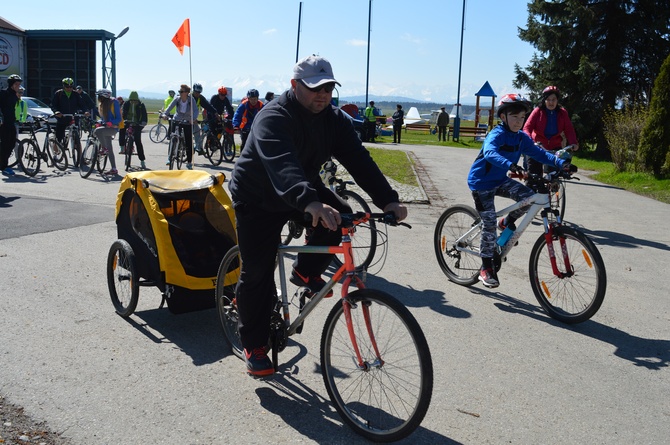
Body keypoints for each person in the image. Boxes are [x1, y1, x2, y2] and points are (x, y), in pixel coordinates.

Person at [228, 55, 407, 378]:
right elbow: (282, 165)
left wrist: (388, 200)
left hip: (300, 188)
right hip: (257, 196)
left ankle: (304, 273)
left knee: (343, 215)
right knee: (257, 271)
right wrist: (310, 203)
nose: (322, 94)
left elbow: (358, 159)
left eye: (327, 87)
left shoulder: (333, 120)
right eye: (314, 88)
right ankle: (253, 344)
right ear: (295, 86)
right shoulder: (273, 117)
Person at [467, 94, 573, 288]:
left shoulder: (521, 137)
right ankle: (486, 267)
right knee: (488, 222)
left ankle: (507, 222)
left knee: (529, 197)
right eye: (514, 117)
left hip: (499, 180)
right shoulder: (496, 134)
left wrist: (561, 163)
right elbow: (490, 153)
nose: (519, 121)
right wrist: (511, 165)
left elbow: (539, 153)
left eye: (522, 117)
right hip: (481, 182)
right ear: (503, 117)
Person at [523, 85, 579, 177]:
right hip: (537, 146)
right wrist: (530, 141)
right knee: (534, 176)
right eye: (548, 99)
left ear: (557, 100)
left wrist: (573, 143)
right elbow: (527, 127)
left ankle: (554, 189)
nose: (551, 102)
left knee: (553, 175)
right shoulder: (538, 111)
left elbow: (569, 129)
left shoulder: (562, 112)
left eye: (554, 99)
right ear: (544, 100)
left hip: (554, 147)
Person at [164, 84, 199, 169]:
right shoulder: (177, 99)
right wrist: (165, 114)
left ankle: (189, 162)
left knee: (188, 141)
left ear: (187, 93)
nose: (180, 93)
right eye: (179, 91)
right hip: (177, 120)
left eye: (181, 91)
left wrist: (193, 119)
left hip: (187, 121)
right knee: (173, 137)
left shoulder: (191, 100)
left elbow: (195, 111)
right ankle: (170, 157)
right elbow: (169, 107)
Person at [51, 77, 88, 145]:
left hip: (72, 117)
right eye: (67, 87)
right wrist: (56, 112)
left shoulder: (76, 94)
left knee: (75, 133)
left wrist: (85, 111)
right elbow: (53, 105)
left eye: (71, 87)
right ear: (63, 86)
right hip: (62, 117)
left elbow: (82, 104)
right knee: (59, 136)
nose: (69, 88)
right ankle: (57, 149)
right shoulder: (58, 93)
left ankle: (76, 147)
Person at [94, 89, 122, 176]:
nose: (98, 98)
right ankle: (114, 169)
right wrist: (99, 121)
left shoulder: (114, 103)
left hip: (113, 128)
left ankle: (103, 148)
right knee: (110, 148)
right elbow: (103, 118)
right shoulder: (102, 105)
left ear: (104, 97)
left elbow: (119, 118)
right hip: (106, 127)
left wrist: (111, 122)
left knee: (97, 131)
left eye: (99, 96)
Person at [0, 74, 23, 176]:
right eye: (17, 84)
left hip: (11, 122)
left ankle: (3, 163)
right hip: (3, 123)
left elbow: (17, 108)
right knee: (5, 145)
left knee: (12, 144)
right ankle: (4, 166)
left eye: (19, 84)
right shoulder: (4, 93)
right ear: (12, 84)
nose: (18, 86)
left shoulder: (15, 95)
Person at [119, 91, 148, 169]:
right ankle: (122, 146)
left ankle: (142, 161)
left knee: (138, 141)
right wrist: (123, 120)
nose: (133, 102)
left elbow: (144, 115)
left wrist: (143, 122)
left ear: (137, 100)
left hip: (137, 123)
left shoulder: (141, 105)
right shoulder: (126, 104)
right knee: (122, 129)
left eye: (135, 100)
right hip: (127, 121)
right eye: (132, 100)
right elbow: (123, 112)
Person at [191, 83, 220, 154]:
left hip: (193, 118)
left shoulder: (200, 98)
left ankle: (198, 148)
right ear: (193, 90)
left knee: (197, 131)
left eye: (199, 92)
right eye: (196, 92)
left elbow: (208, 106)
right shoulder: (189, 97)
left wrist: (215, 113)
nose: (197, 94)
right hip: (185, 118)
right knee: (191, 132)